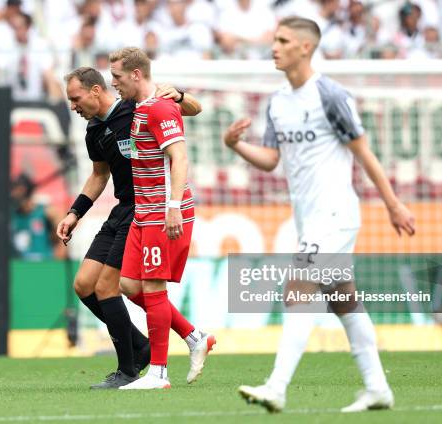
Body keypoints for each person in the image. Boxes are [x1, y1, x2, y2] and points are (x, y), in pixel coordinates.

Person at [223, 17, 415, 412]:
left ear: (305, 47)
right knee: (345, 301)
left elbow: (364, 154)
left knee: (298, 289)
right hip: (309, 217)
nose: (274, 47)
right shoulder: (277, 102)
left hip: (336, 213)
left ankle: (276, 387)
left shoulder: (330, 95)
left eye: (282, 40)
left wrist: (393, 204)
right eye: (274, 39)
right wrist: (236, 145)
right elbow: (272, 161)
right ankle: (378, 388)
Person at [56, 66, 213, 389]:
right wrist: (75, 213)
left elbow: (193, 110)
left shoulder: (137, 107)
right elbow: (99, 175)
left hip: (147, 208)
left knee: (109, 287)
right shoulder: (94, 132)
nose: (73, 106)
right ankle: (168, 340)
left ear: (95, 91)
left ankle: (129, 368)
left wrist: (181, 95)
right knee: (85, 285)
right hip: (122, 209)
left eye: (75, 98)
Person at [106, 47, 216, 390]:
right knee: (127, 284)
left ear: (136, 74)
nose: (114, 84)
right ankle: (194, 336)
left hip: (162, 213)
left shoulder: (161, 106)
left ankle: (159, 373)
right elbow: (192, 108)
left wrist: (172, 206)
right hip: (143, 211)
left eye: (118, 77)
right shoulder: (141, 106)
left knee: (154, 287)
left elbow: (179, 158)